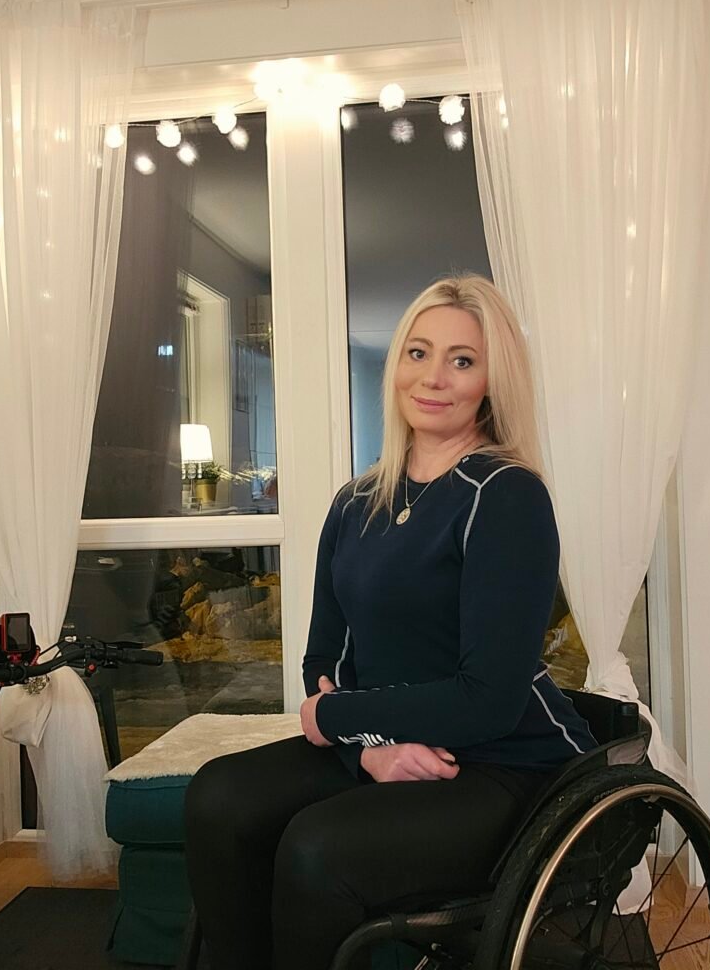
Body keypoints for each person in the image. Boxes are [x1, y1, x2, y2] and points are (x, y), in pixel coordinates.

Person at [184, 274, 596, 970]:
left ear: (492, 381)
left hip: (503, 765)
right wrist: (368, 749)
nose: (434, 377)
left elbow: (488, 700)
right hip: (386, 743)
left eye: (462, 360)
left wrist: (337, 719)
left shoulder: (507, 497)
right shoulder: (356, 502)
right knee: (218, 799)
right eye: (418, 353)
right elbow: (324, 659)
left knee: (316, 847)